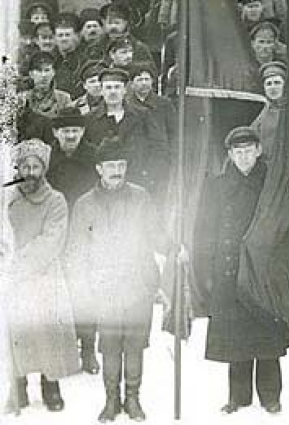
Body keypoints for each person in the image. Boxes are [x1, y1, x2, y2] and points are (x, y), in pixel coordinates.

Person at [192, 127, 289, 415]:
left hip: (265, 272)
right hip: (229, 269)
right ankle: (238, 397)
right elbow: (205, 230)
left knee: (266, 337)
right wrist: (206, 270)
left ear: (259, 151)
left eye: (249, 150)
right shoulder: (217, 186)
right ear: (230, 155)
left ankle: (271, 396)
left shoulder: (273, 183)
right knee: (235, 338)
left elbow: (287, 223)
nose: (244, 156)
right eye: (238, 152)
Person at [67, 138, 160, 422]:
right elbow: (76, 249)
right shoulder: (84, 205)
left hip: (137, 284)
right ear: (99, 169)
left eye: (121, 165)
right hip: (104, 288)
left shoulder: (141, 197)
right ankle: (111, 400)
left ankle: (133, 399)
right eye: (111, 166)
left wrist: (174, 245)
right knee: (109, 346)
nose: (117, 171)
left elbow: (156, 233)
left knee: (134, 345)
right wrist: (83, 287)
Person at [4, 140, 79, 415]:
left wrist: (16, 262)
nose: (31, 172)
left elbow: (51, 241)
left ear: (44, 169)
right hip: (13, 280)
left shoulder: (56, 200)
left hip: (44, 277)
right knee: (17, 332)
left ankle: (51, 387)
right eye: (26, 166)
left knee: (47, 333)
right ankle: (18, 387)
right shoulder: (7, 198)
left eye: (36, 166)